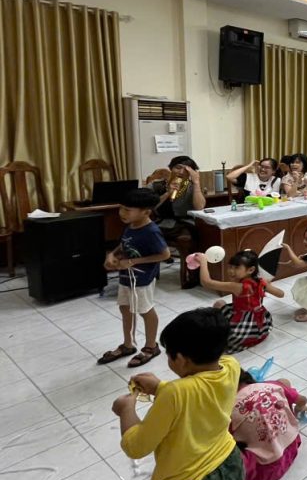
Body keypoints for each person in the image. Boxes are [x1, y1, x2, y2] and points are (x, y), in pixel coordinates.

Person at [113, 308, 307, 480]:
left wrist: (126, 409)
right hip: (230, 467)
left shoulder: (174, 395)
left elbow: (136, 446)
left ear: (182, 359)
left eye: (169, 354)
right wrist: (160, 387)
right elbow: (201, 391)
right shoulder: (230, 366)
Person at [98, 188, 170, 368]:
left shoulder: (151, 231)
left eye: (127, 210)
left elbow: (165, 254)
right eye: (121, 208)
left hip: (142, 279)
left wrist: (133, 261)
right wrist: (112, 254)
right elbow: (124, 244)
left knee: (145, 310)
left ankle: (151, 346)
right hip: (126, 277)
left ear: (146, 212)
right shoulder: (131, 225)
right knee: (125, 308)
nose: (122, 213)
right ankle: (128, 345)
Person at [231, 371, 307, 480]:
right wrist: (300, 407)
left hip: (264, 469)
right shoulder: (271, 385)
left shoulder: (227, 412)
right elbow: (303, 399)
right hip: (291, 445)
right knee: (284, 382)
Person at [196, 250, 284, 353]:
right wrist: (267, 285)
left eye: (236, 268)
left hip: (240, 327)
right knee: (221, 305)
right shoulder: (261, 282)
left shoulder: (237, 286)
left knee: (219, 304)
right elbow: (281, 294)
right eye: (230, 267)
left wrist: (203, 262)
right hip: (260, 325)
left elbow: (206, 282)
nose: (231, 271)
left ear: (251, 270)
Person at [149, 155, 206, 287]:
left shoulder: (191, 187)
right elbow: (148, 206)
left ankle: (192, 275)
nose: (181, 172)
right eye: (178, 167)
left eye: (186, 169)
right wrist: (168, 193)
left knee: (199, 235)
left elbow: (200, 207)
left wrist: (196, 183)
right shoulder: (156, 185)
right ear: (170, 168)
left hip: (184, 222)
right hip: (162, 222)